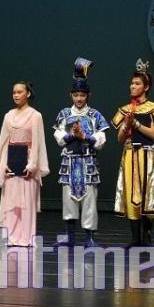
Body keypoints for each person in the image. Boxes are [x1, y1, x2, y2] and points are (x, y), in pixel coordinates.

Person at [111, 59, 154, 246]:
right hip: (130, 154)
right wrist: (126, 125)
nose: (132, 86)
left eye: (137, 84)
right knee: (131, 193)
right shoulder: (125, 109)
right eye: (132, 83)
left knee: (147, 193)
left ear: (146, 87)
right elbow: (119, 138)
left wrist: (136, 123)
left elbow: (153, 133)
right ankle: (135, 238)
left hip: (146, 154)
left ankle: (147, 233)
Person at [53, 57, 109, 248]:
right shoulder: (64, 114)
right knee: (68, 200)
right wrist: (71, 135)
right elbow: (58, 136)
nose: (79, 98)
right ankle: (70, 236)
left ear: (88, 96)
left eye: (82, 95)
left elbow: (101, 139)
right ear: (71, 95)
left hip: (88, 162)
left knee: (90, 201)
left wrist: (85, 137)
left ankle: (89, 238)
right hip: (69, 162)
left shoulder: (95, 115)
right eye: (76, 95)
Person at [0, 81, 49, 247]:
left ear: (28, 94)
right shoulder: (8, 116)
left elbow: (38, 141)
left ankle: (26, 237)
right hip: (11, 161)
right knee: (12, 201)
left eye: (19, 92)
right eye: (14, 92)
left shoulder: (35, 115)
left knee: (26, 201)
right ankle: (12, 237)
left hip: (27, 161)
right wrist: (2, 164)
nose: (16, 95)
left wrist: (33, 164)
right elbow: (3, 142)